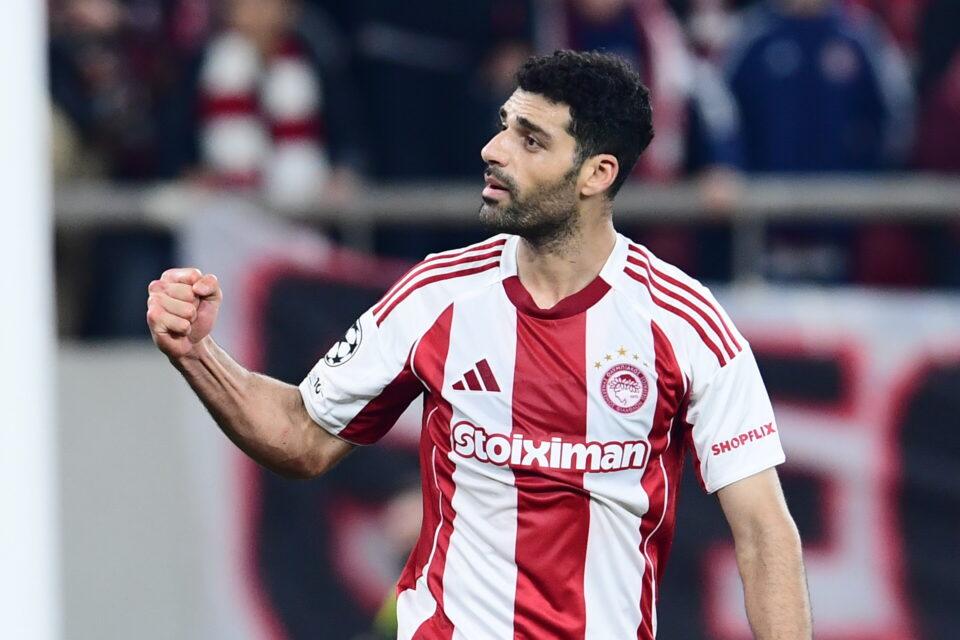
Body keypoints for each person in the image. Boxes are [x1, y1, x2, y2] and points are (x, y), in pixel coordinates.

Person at [147, 50, 812, 638]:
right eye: (503, 125)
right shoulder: (436, 295)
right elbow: (302, 437)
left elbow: (764, 535)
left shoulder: (685, 323)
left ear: (596, 173)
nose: (494, 150)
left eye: (530, 140)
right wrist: (197, 353)